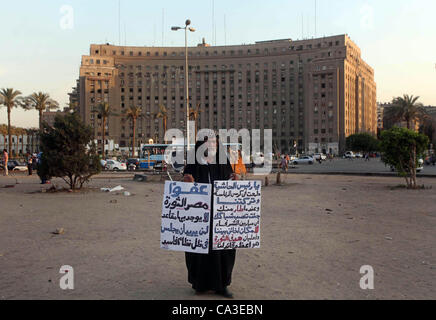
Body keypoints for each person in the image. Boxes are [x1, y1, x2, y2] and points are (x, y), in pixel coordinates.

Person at [183, 135, 237, 299]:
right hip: (199, 215)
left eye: (214, 142)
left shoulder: (222, 161)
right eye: (208, 142)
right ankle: (200, 284)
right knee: (199, 251)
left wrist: (234, 179)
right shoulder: (194, 162)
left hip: (220, 215)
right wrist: (187, 182)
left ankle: (222, 286)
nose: (212, 144)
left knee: (224, 250)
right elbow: (184, 184)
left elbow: (230, 182)